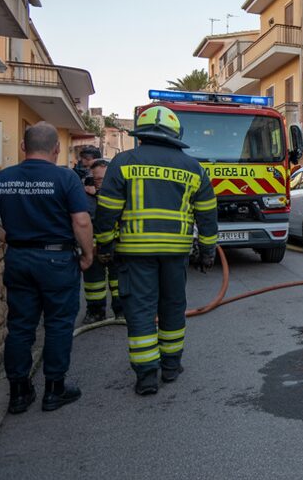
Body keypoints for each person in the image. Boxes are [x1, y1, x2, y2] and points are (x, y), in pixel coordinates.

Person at [0, 122, 94, 414]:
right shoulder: (66, 178)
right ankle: (54, 389)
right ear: (57, 148)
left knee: (20, 326)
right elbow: (82, 221)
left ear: (23, 147)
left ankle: (19, 392)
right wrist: (87, 255)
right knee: (59, 324)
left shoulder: (4, 178)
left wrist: (7, 237)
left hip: (19, 259)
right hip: (57, 261)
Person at [93, 106, 218, 395]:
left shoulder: (123, 162)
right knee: (173, 307)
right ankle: (171, 367)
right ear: (176, 135)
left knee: (140, 309)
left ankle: (147, 375)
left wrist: (105, 245)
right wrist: (208, 250)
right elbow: (208, 214)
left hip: (135, 253)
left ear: (142, 134)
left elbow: (107, 210)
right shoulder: (194, 168)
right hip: (176, 253)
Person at [82, 159, 124, 323]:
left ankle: (121, 311)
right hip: (93, 247)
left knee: (119, 281)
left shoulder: (121, 194)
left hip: (117, 246)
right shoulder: (84, 197)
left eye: (105, 178)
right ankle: (95, 312)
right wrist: (89, 247)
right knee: (94, 284)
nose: (101, 183)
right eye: (97, 179)